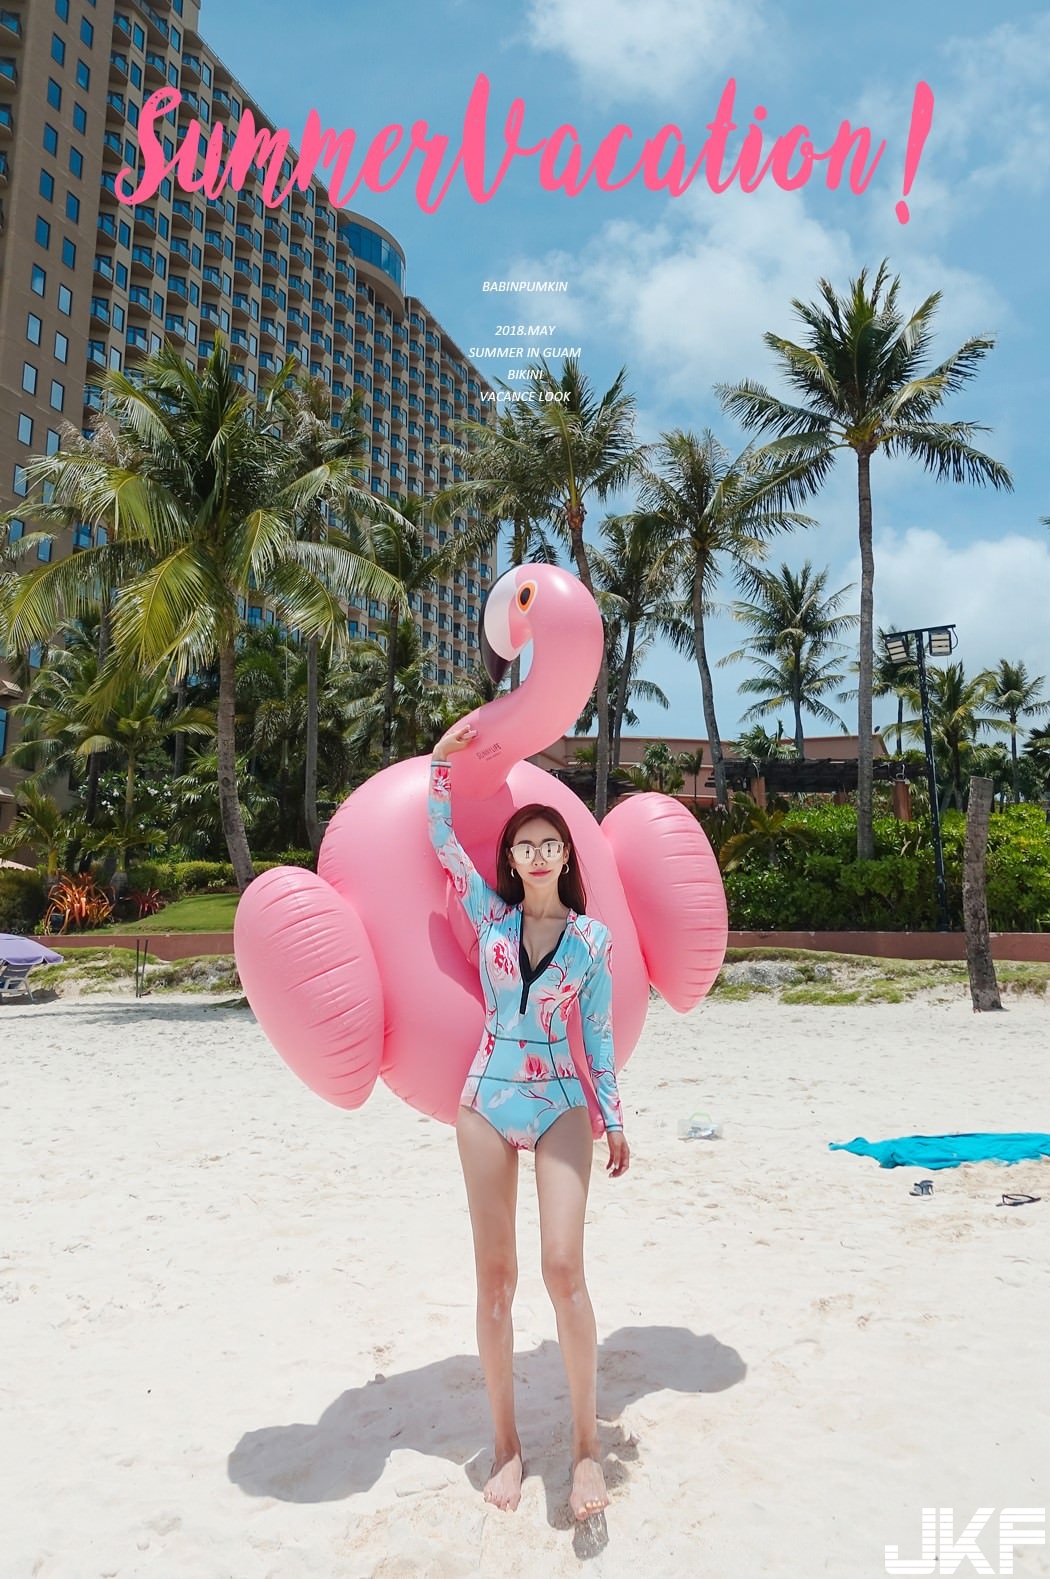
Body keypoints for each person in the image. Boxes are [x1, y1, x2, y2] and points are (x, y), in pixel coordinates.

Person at [429, 718, 630, 1523]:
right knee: (495, 1279)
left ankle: (585, 1448)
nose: (539, 853)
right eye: (525, 845)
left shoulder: (591, 940)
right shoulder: (488, 917)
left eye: (551, 843)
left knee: (562, 1269)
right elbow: (442, 840)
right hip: (486, 1100)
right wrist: (440, 765)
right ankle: (507, 1443)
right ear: (511, 859)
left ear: (566, 856)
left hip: (559, 1106)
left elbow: (598, 1035)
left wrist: (614, 1116)